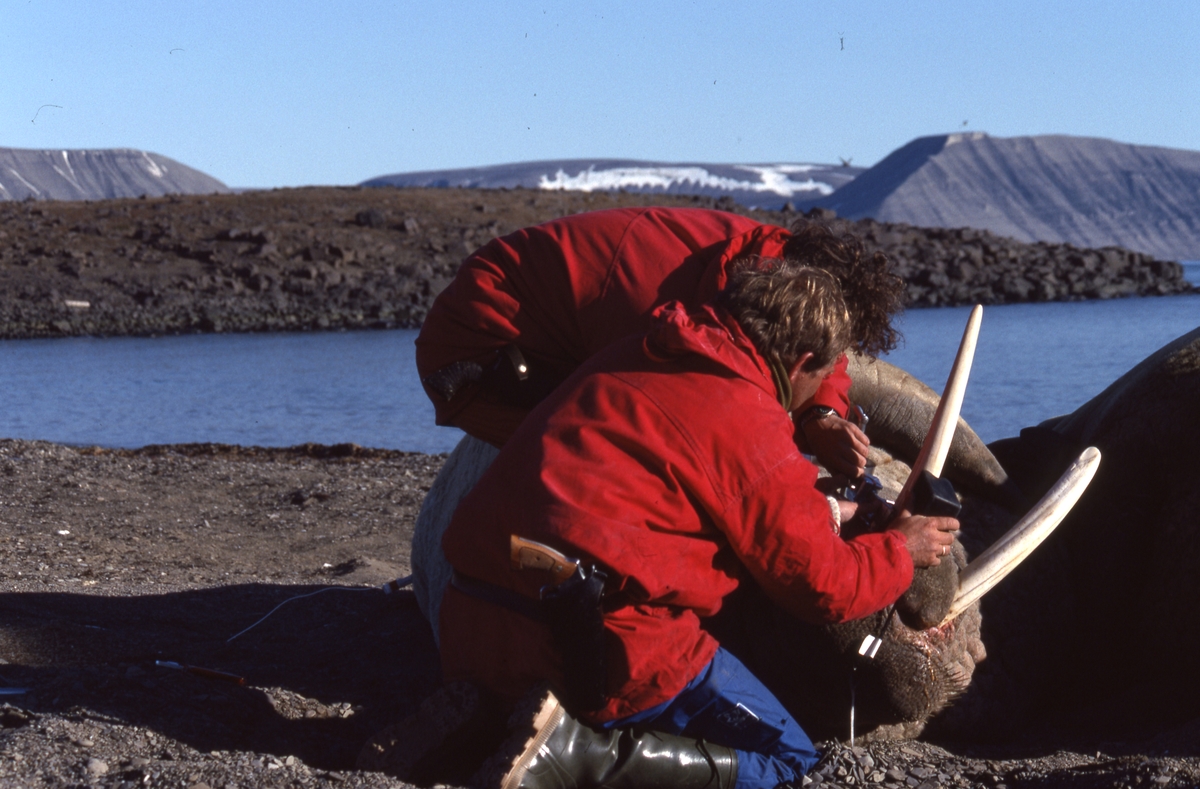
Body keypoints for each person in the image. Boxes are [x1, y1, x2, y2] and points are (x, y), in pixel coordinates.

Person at [438, 259, 960, 789]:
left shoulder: (634, 351)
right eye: (824, 378)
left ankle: (481, 724)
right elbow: (821, 586)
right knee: (789, 760)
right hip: (586, 641)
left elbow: (669, 484)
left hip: (468, 618)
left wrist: (825, 511)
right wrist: (900, 547)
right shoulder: (747, 416)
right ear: (803, 361)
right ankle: (579, 752)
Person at [415, 207, 903, 478]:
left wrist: (822, 415)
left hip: (553, 320)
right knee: (610, 470)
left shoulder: (775, 266)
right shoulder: (660, 313)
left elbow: (823, 347)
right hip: (476, 349)